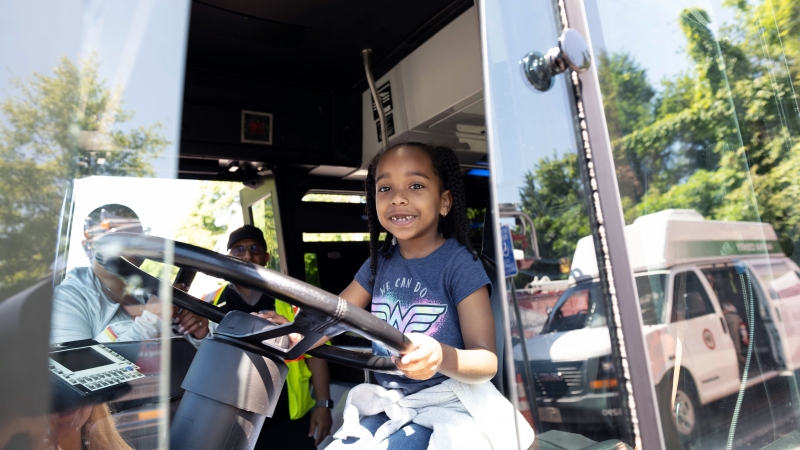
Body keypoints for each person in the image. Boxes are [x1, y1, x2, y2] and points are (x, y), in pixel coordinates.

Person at [319, 142, 534, 449]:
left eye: (416, 185)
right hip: (389, 405)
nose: (398, 198)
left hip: (447, 405)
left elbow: (486, 361)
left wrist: (439, 355)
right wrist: (283, 331)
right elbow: (332, 317)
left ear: (444, 202)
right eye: (385, 189)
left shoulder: (459, 265)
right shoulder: (378, 264)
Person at [203, 225, 333, 449]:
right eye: (238, 250)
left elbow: (317, 353)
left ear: (266, 257)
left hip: (289, 420)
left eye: (254, 248)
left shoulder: (292, 299)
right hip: (232, 423)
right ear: (228, 258)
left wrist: (323, 404)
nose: (247, 255)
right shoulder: (209, 302)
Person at [51, 204, 208, 344]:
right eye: (117, 234)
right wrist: (150, 322)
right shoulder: (67, 299)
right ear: (88, 246)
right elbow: (79, 369)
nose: (132, 243)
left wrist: (197, 337)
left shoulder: (156, 291)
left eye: (136, 235)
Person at [722, 302, 749, 373]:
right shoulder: (734, 317)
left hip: (733, 346)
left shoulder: (728, 318)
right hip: (736, 344)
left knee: (738, 357)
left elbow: (733, 334)